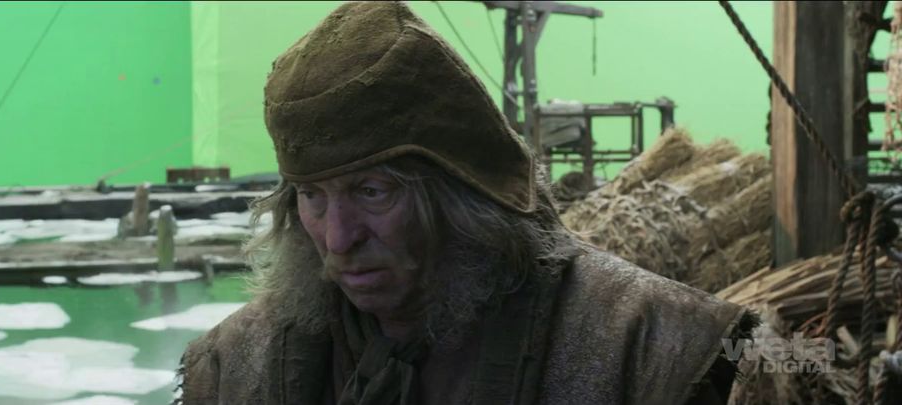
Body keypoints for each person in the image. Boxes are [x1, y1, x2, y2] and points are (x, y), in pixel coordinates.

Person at [178, 2, 757, 404]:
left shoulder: (641, 347)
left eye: (373, 192)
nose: (337, 238)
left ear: (462, 193)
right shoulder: (235, 364)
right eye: (312, 197)